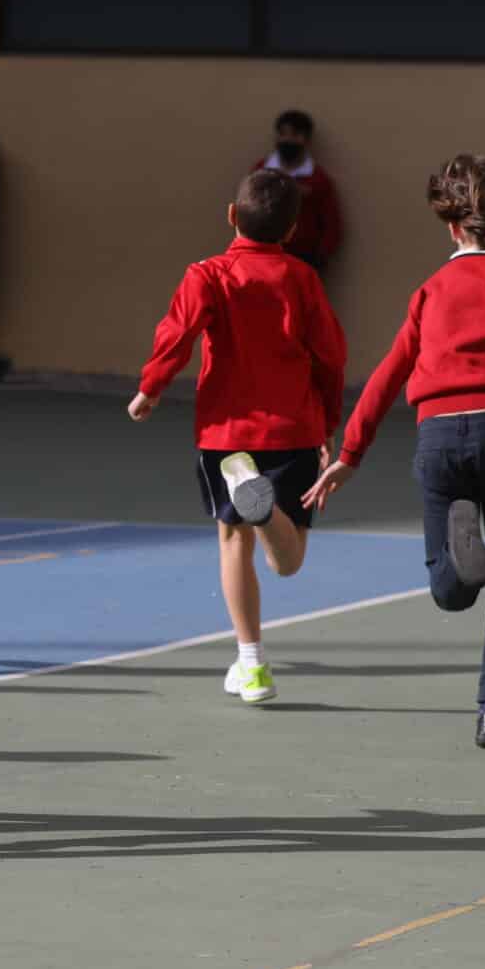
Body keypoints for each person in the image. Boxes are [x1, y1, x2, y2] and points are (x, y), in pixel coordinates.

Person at [309, 154, 485, 750]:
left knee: (450, 588)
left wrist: (349, 453)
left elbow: (389, 372)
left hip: (437, 436)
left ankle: (457, 574)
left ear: (452, 226)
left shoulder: (430, 291)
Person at [127, 168, 346, 705]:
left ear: (231, 216)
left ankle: (252, 665)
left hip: (227, 436)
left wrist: (150, 388)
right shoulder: (301, 278)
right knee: (287, 562)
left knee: (232, 542)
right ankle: (267, 512)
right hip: (292, 427)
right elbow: (330, 355)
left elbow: (176, 332)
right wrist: (328, 422)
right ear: (292, 230)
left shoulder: (208, 274)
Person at [257, 109, 343, 272]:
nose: (288, 139)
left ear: (306, 140)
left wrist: (319, 259)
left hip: (303, 261)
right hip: (262, 258)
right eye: (283, 134)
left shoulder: (317, 180)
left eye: (295, 135)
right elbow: (245, 213)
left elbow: (332, 224)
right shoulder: (260, 173)